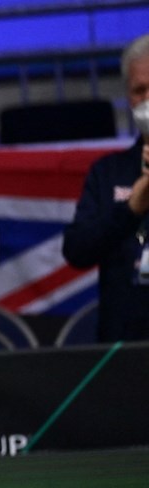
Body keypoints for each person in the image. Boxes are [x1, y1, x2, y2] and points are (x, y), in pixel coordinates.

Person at [63, 32, 149, 341]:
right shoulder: (107, 171)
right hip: (121, 347)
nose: (148, 99)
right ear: (128, 97)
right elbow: (76, 250)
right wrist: (129, 210)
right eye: (140, 91)